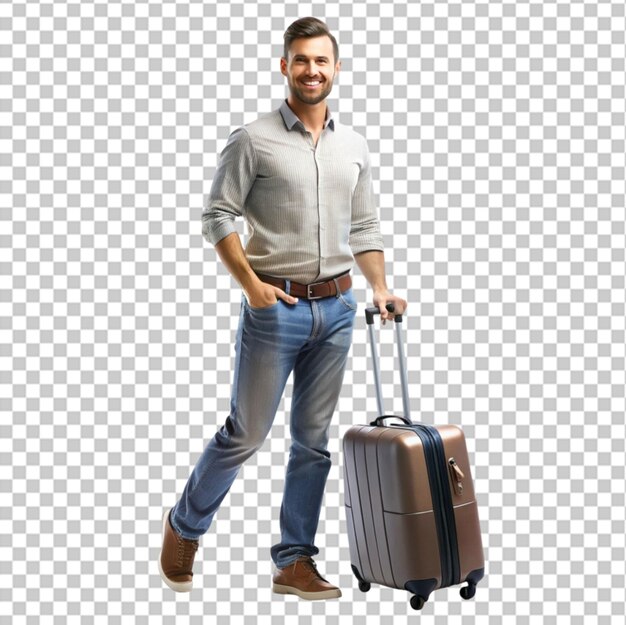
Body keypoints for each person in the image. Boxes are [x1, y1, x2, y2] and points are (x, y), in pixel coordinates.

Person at [158, 16, 407, 600]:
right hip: (275, 308)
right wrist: (249, 284)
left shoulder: (353, 146)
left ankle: (293, 561)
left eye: (322, 60)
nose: (312, 70)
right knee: (245, 434)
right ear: (284, 66)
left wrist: (379, 287)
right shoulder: (253, 138)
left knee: (312, 442)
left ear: (336, 68)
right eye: (301, 60)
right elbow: (217, 216)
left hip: (339, 310)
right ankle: (184, 525)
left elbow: (365, 226)